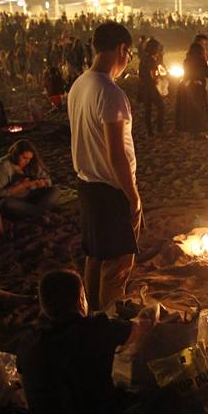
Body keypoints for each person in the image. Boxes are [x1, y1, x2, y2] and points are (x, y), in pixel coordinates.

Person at [19, 269, 149, 414]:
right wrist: (151, 313)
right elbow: (141, 331)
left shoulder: (29, 344)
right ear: (81, 300)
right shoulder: (98, 329)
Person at [68, 22, 141, 312]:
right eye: (129, 54)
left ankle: (91, 319)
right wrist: (133, 196)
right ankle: (108, 327)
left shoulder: (79, 85)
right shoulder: (110, 93)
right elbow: (116, 155)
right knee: (117, 268)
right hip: (111, 190)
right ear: (122, 49)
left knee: (95, 257)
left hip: (87, 186)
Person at [0, 139, 60, 223]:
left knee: (55, 190)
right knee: (6, 204)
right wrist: (21, 186)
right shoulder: (2, 166)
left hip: (29, 197)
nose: (27, 161)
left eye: (29, 158)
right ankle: (45, 214)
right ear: (15, 154)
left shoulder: (31, 163)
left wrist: (44, 183)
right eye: (24, 158)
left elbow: (47, 179)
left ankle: (34, 214)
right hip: (12, 200)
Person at [176, 42, 208, 135]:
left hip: (188, 87)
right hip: (198, 87)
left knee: (190, 108)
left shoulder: (187, 61)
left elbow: (186, 73)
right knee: (199, 108)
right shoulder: (201, 61)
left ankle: (189, 127)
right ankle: (198, 129)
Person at [138, 37, 166, 135]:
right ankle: (159, 128)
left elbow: (141, 74)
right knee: (161, 107)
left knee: (148, 110)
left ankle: (149, 131)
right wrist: (161, 76)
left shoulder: (144, 59)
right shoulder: (150, 60)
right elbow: (154, 75)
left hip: (144, 86)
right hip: (151, 87)